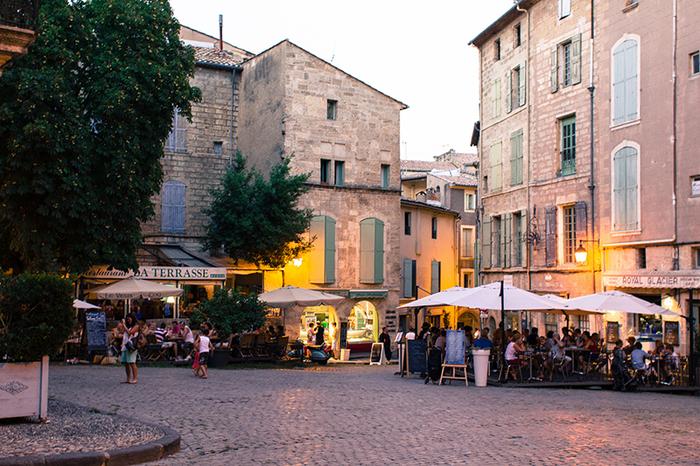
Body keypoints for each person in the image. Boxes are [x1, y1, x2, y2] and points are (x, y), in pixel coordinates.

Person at [120, 315, 140, 384]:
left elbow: (130, 333)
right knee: (126, 363)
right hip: (125, 346)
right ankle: (128, 378)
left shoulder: (136, 326)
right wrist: (123, 325)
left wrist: (124, 325)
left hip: (131, 346)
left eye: (129, 319)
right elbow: (122, 332)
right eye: (127, 319)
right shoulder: (127, 326)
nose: (128, 320)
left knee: (132, 362)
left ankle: (135, 378)